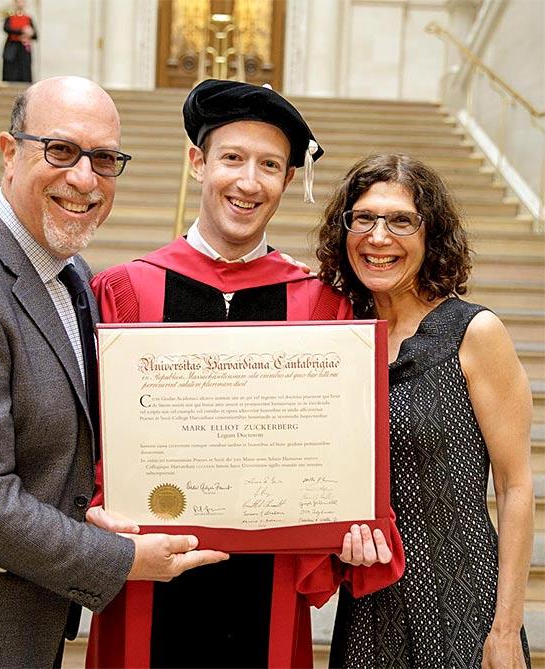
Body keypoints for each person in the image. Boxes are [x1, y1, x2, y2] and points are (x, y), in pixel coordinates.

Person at [0, 76, 229, 669]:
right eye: (60, 151)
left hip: (19, 616)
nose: (85, 179)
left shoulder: (67, 273)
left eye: (105, 159)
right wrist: (120, 559)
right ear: (10, 152)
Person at [86, 79, 406, 669]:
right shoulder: (126, 291)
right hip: (149, 568)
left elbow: (337, 448)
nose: (248, 181)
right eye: (232, 158)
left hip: (271, 579)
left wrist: (351, 524)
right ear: (197, 163)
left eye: (269, 165)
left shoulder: (318, 303)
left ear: (288, 179)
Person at [315, 153, 533, 668]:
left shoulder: (474, 332)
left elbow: (515, 485)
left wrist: (506, 628)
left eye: (400, 221)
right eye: (363, 218)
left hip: (462, 601)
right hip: (370, 603)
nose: (378, 237)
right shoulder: (341, 338)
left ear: (430, 234)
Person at [2, 0, 37, 83]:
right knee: (11, 68)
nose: (20, 3)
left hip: (23, 48)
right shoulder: (10, 17)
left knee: (24, 68)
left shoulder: (28, 19)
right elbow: (6, 29)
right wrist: (22, 31)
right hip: (12, 46)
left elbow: (35, 35)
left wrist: (30, 33)